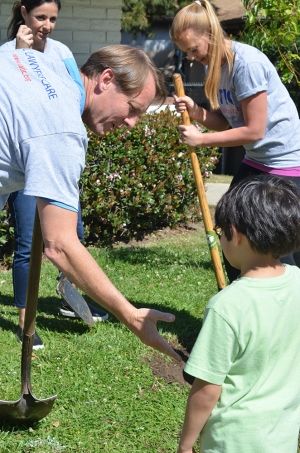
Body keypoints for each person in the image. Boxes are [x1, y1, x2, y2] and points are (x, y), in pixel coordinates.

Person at [0, 43, 180, 362]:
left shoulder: (50, 57)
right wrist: (130, 314)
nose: (132, 124)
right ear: (106, 79)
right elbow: (60, 246)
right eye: (133, 108)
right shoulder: (63, 131)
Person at [1, 0, 108, 351]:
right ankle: (25, 320)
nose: (47, 24)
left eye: (53, 18)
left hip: (56, 150)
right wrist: (21, 50)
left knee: (71, 232)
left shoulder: (60, 51)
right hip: (28, 157)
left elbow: (77, 95)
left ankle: (68, 293)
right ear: (23, 13)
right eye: (40, 17)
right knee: (29, 241)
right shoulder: (8, 53)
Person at [170, 0, 300, 281]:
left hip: (285, 165)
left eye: (193, 49)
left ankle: (284, 305)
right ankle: (242, 296)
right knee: (231, 224)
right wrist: (197, 112)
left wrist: (201, 141)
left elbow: (254, 131)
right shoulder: (217, 66)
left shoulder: (247, 63)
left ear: (212, 34)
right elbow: (228, 121)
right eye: (185, 52)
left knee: (275, 242)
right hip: (258, 161)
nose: (191, 57)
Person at [177, 175, 300, 453]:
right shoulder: (297, 282)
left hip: (232, 440)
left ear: (237, 234)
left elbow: (207, 389)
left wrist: (185, 445)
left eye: (221, 231)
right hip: (282, 435)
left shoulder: (227, 306)